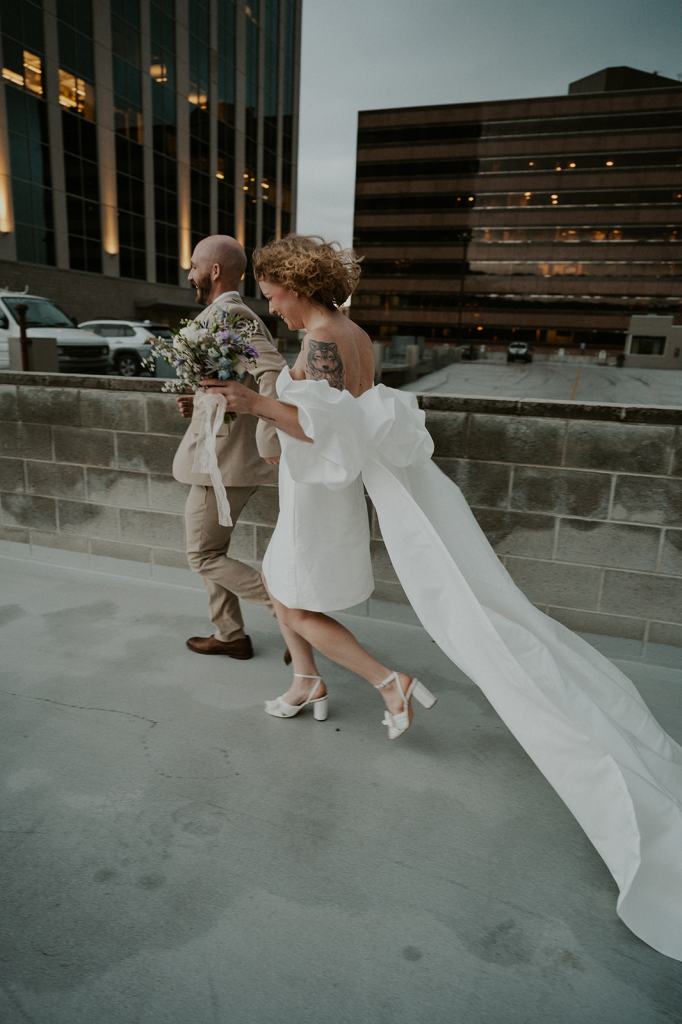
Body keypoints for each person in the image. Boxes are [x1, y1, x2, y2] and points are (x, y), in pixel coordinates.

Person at [202, 234, 682, 962]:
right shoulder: (351, 333)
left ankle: (388, 682)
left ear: (298, 285)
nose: (269, 303)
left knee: (291, 599)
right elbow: (344, 417)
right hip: (320, 488)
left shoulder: (325, 340)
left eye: (273, 291)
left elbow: (320, 427)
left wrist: (252, 401)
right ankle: (307, 680)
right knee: (280, 586)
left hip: (317, 495)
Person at [172, 234, 287, 661]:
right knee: (211, 551)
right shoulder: (216, 314)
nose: (190, 273)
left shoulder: (236, 315)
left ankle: (291, 614)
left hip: (225, 460)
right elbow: (232, 382)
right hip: (212, 455)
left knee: (202, 554)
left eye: (194, 265)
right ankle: (229, 634)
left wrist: (266, 434)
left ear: (214, 270)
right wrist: (201, 400)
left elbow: (272, 372)